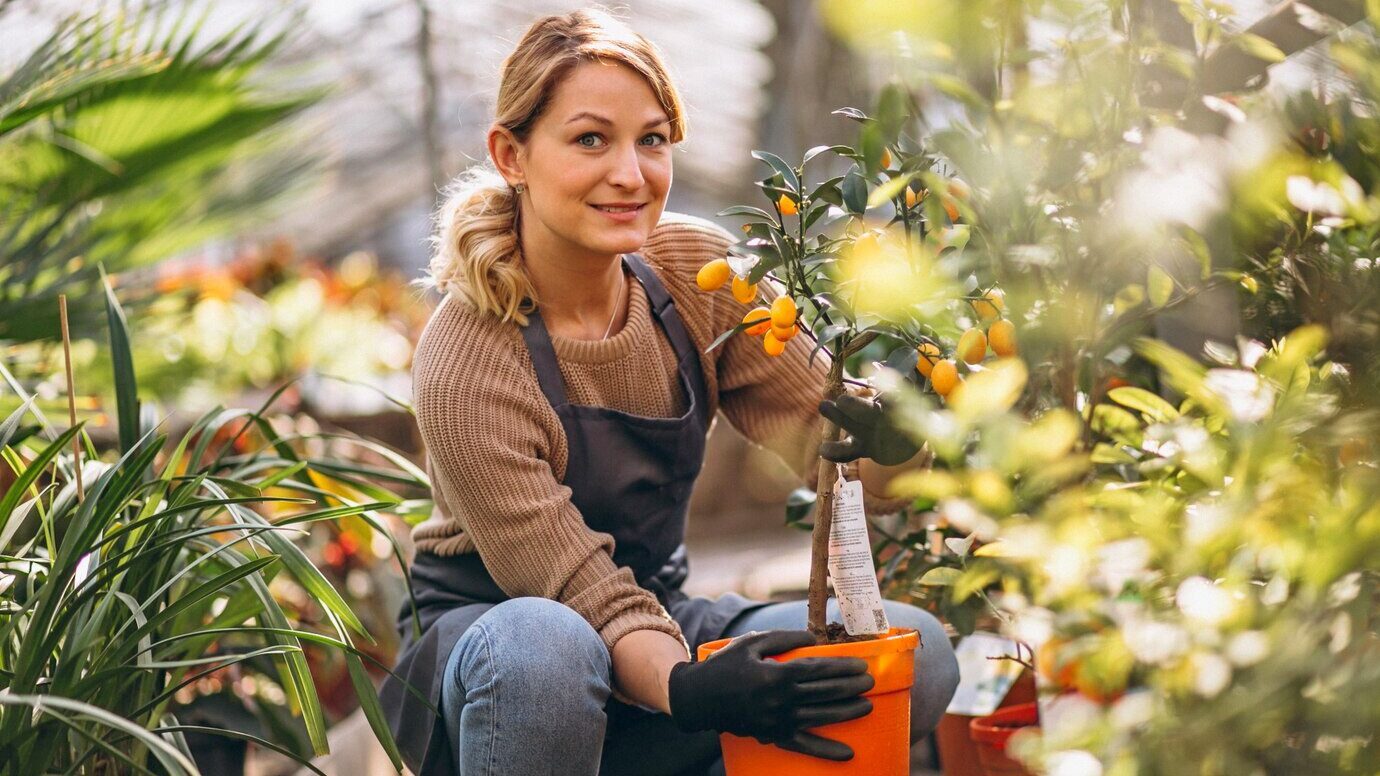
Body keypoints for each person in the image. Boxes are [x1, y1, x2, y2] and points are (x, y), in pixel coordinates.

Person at [378, 9, 959, 776]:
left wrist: (892, 441)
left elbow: (840, 470)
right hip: (502, 660)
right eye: (591, 139)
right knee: (546, 650)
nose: (631, 174)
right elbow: (575, 588)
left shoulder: (697, 272)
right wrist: (692, 689)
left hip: (658, 615)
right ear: (511, 154)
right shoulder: (467, 354)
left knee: (915, 655)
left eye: (651, 140)